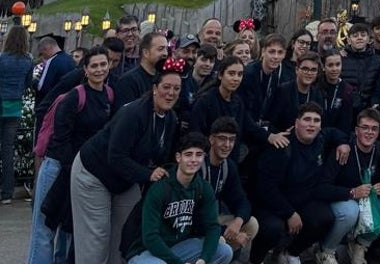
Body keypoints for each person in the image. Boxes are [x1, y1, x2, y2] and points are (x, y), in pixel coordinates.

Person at [71, 58, 185, 264]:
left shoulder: (170, 119)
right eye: (166, 87)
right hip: (94, 172)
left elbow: (162, 157)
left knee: (126, 237)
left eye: (176, 88)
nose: (171, 93)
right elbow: (115, 156)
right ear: (154, 89)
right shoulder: (133, 113)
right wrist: (148, 174)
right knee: (96, 240)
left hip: (127, 177)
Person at [29, 45, 112, 264]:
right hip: (58, 166)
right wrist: (73, 166)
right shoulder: (74, 97)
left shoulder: (109, 96)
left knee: (68, 229)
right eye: (94, 65)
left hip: (81, 171)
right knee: (44, 229)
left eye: (103, 64)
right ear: (85, 69)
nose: (99, 70)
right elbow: (60, 137)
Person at [251, 102, 349, 264]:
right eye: (307, 120)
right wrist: (289, 213)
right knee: (273, 228)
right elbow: (265, 188)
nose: (311, 125)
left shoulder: (320, 139)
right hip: (272, 204)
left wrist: (343, 142)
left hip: (302, 200)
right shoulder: (281, 147)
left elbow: (333, 133)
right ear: (296, 123)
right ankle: (256, 259)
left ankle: (290, 252)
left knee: (324, 217)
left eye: (316, 121)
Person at [124, 131, 234, 264]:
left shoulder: (203, 188)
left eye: (199, 155)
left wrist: (203, 259)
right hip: (147, 252)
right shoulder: (160, 188)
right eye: (188, 154)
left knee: (224, 251)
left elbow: (213, 227)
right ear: (178, 157)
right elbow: (150, 237)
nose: (194, 160)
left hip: (178, 248)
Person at [320, 107, 380, 264]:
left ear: (378, 132)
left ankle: (361, 245)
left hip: (367, 201)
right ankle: (326, 251)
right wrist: (351, 192)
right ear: (356, 130)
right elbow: (322, 187)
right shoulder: (344, 150)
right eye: (365, 127)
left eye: (374, 129)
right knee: (350, 211)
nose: (369, 132)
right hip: (343, 199)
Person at [201, 116, 258, 256]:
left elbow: (241, 200)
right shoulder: (198, 165)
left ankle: (221, 257)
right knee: (219, 240)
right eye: (222, 138)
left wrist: (238, 222)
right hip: (193, 225)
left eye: (231, 140)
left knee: (251, 224)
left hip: (213, 220)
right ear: (211, 139)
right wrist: (223, 231)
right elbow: (194, 217)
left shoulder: (228, 166)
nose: (227, 145)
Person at [0, 25, 33, 204]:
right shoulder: (28, 60)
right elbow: (28, 84)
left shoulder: (2, 59)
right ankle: (7, 193)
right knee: (8, 150)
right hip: (15, 107)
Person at [113, 31, 170, 108]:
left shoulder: (164, 78)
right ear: (146, 53)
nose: (165, 53)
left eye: (166, 49)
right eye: (160, 49)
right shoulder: (129, 81)